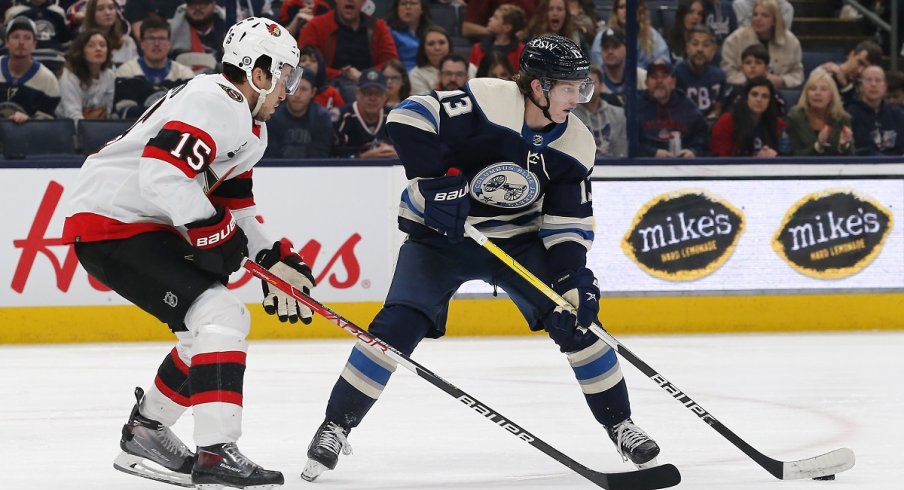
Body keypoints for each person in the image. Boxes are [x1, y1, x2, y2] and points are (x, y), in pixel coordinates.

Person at [300, 34, 661, 483]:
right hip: (440, 238)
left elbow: (566, 223)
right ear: (537, 86)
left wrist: (573, 276)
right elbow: (407, 115)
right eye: (568, 87)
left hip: (518, 242)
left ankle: (620, 425)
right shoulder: (487, 101)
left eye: (580, 86)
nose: (578, 97)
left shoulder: (577, 145)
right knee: (395, 328)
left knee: (578, 320)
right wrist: (435, 182)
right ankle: (335, 424)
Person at [61, 17, 308, 489]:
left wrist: (274, 257)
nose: (289, 91)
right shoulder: (218, 100)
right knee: (222, 314)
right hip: (115, 223)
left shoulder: (249, 127)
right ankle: (215, 453)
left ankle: (146, 431)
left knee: (209, 329)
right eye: (287, 77)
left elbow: (236, 202)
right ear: (260, 73)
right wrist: (214, 232)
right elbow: (161, 174)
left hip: (137, 223)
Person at [297, 0, 399, 97]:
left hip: (371, 86)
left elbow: (391, 63)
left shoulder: (378, 27)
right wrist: (340, 74)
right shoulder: (316, 25)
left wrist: (365, 76)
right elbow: (303, 63)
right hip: (327, 86)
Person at [114, 17, 195, 118]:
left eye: (161, 39)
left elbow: (190, 111)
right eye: (151, 39)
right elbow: (125, 113)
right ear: (142, 43)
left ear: (169, 44)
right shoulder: (126, 72)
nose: (156, 44)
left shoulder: (184, 74)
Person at [721, 0, 803, 89]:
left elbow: (798, 74)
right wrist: (749, 82)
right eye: (755, 15)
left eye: (765, 15)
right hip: (743, 90)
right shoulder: (735, 39)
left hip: (777, 90)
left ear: (775, 20)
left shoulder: (790, 41)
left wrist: (782, 80)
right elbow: (726, 71)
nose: (758, 19)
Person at [637, 59, 709, 157]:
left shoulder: (687, 105)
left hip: (683, 166)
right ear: (646, 83)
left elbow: (703, 137)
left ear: (673, 83)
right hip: (645, 166)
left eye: (664, 76)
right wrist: (653, 153)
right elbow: (629, 141)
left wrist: (693, 151)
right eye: (654, 77)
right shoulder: (637, 105)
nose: (659, 81)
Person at [0, 17, 60, 122]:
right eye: (15, 37)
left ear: (34, 45)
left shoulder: (48, 80)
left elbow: (47, 125)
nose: (21, 42)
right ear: (7, 42)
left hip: (29, 136)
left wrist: (30, 121)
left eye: (27, 38)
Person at [710, 76, 787, 156]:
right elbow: (720, 160)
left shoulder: (778, 124)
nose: (759, 100)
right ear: (746, 97)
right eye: (754, 94)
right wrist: (756, 159)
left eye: (765, 96)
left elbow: (787, 155)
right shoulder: (727, 121)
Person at [266, 68, 334, 158]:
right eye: (294, 88)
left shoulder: (322, 117)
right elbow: (269, 155)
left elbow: (321, 155)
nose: (297, 95)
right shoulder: (272, 116)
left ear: (313, 92)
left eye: (304, 89)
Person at [786, 68, 854, 156]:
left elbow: (852, 157)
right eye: (813, 89)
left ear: (832, 95)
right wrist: (818, 147)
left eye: (824, 89)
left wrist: (844, 146)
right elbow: (793, 155)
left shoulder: (842, 118)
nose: (817, 93)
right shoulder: (795, 117)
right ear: (806, 94)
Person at [332, 67, 397, 158]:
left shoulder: (395, 118)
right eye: (367, 93)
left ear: (385, 96)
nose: (372, 98)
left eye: (378, 93)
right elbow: (331, 155)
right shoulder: (342, 117)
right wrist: (362, 157)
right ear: (357, 94)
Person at [591, 0, 669, 69]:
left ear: (640, 11)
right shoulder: (603, 36)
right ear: (616, 12)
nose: (626, 11)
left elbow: (663, 61)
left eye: (631, 6)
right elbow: (599, 68)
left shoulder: (652, 36)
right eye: (621, 7)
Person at [56, 29, 115, 120]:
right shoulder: (69, 77)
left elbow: (106, 112)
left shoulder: (110, 76)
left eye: (102, 45)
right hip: (67, 128)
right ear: (81, 51)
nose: (98, 49)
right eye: (91, 46)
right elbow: (73, 116)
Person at [845, 65, 904, 155]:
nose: (873, 84)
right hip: (863, 166)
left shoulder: (897, 113)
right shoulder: (851, 113)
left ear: (885, 86)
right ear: (861, 87)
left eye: (878, 80)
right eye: (868, 80)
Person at [673, 25, 726, 120]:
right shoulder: (676, 73)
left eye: (706, 45)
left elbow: (718, 108)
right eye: (695, 44)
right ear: (687, 47)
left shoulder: (720, 76)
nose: (700, 49)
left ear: (713, 49)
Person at [574, 64, 627, 157]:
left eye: (591, 83)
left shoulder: (618, 114)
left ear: (601, 86)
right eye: (582, 83)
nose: (586, 87)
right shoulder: (568, 116)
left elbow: (621, 153)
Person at [819, 40, 883, 106]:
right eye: (859, 62)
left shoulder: (863, 86)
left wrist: (846, 86)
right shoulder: (825, 74)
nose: (860, 71)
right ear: (851, 54)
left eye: (866, 68)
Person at [467, 3, 525, 76]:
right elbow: (472, 75)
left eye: (495, 18)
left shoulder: (521, 52)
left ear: (507, 27)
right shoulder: (477, 48)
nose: (490, 19)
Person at [596, 26, 647, 100]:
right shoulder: (595, 80)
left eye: (615, 46)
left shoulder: (642, 77)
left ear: (626, 49)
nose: (610, 51)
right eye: (606, 47)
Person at [81, 0, 138, 65]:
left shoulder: (127, 42)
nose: (107, 13)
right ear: (91, 14)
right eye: (100, 9)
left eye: (111, 8)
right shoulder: (82, 43)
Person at [4, 0, 71, 51]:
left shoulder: (58, 12)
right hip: (23, 59)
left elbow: (64, 39)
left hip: (54, 59)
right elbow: (6, 39)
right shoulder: (14, 12)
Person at [386, 0, 433, 72]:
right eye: (403, 4)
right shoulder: (388, 32)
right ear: (397, 9)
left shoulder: (432, 32)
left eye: (413, 3)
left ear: (422, 9)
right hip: (403, 76)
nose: (408, 7)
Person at [299, 44, 345, 114]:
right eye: (303, 60)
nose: (307, 63)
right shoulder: (287, 91)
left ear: (320, 65)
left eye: (313, 60)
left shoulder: (331, 93)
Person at [461, 0, 535, 41]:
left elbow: (538, 18)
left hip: (526, 41)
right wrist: (499, 33)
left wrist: (525, 32)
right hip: (490, 45)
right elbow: (466, 28)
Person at [408, 25, 451, 95]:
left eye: (442, 43)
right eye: (431, 44)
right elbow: (424, 104)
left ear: (449, 45)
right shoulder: (416, 75)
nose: (437, 48)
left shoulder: (470, 68)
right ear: (423, 49)